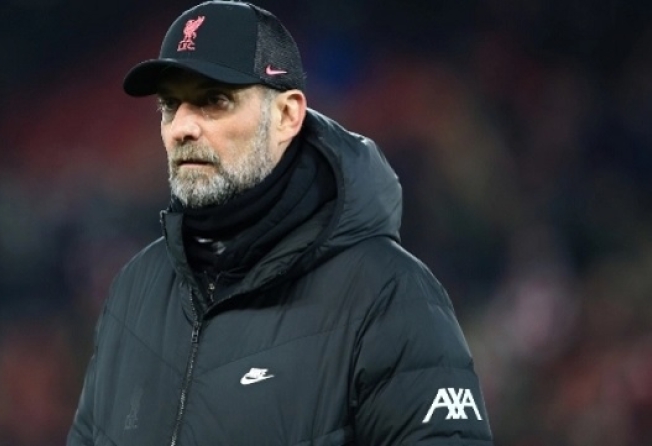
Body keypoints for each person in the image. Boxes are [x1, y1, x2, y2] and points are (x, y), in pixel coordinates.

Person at [68, 1, 494, 445]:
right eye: (170, 105)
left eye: (214, 101)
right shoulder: (135, 289)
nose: (182, 128)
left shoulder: (385, 292)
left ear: (287, 115)